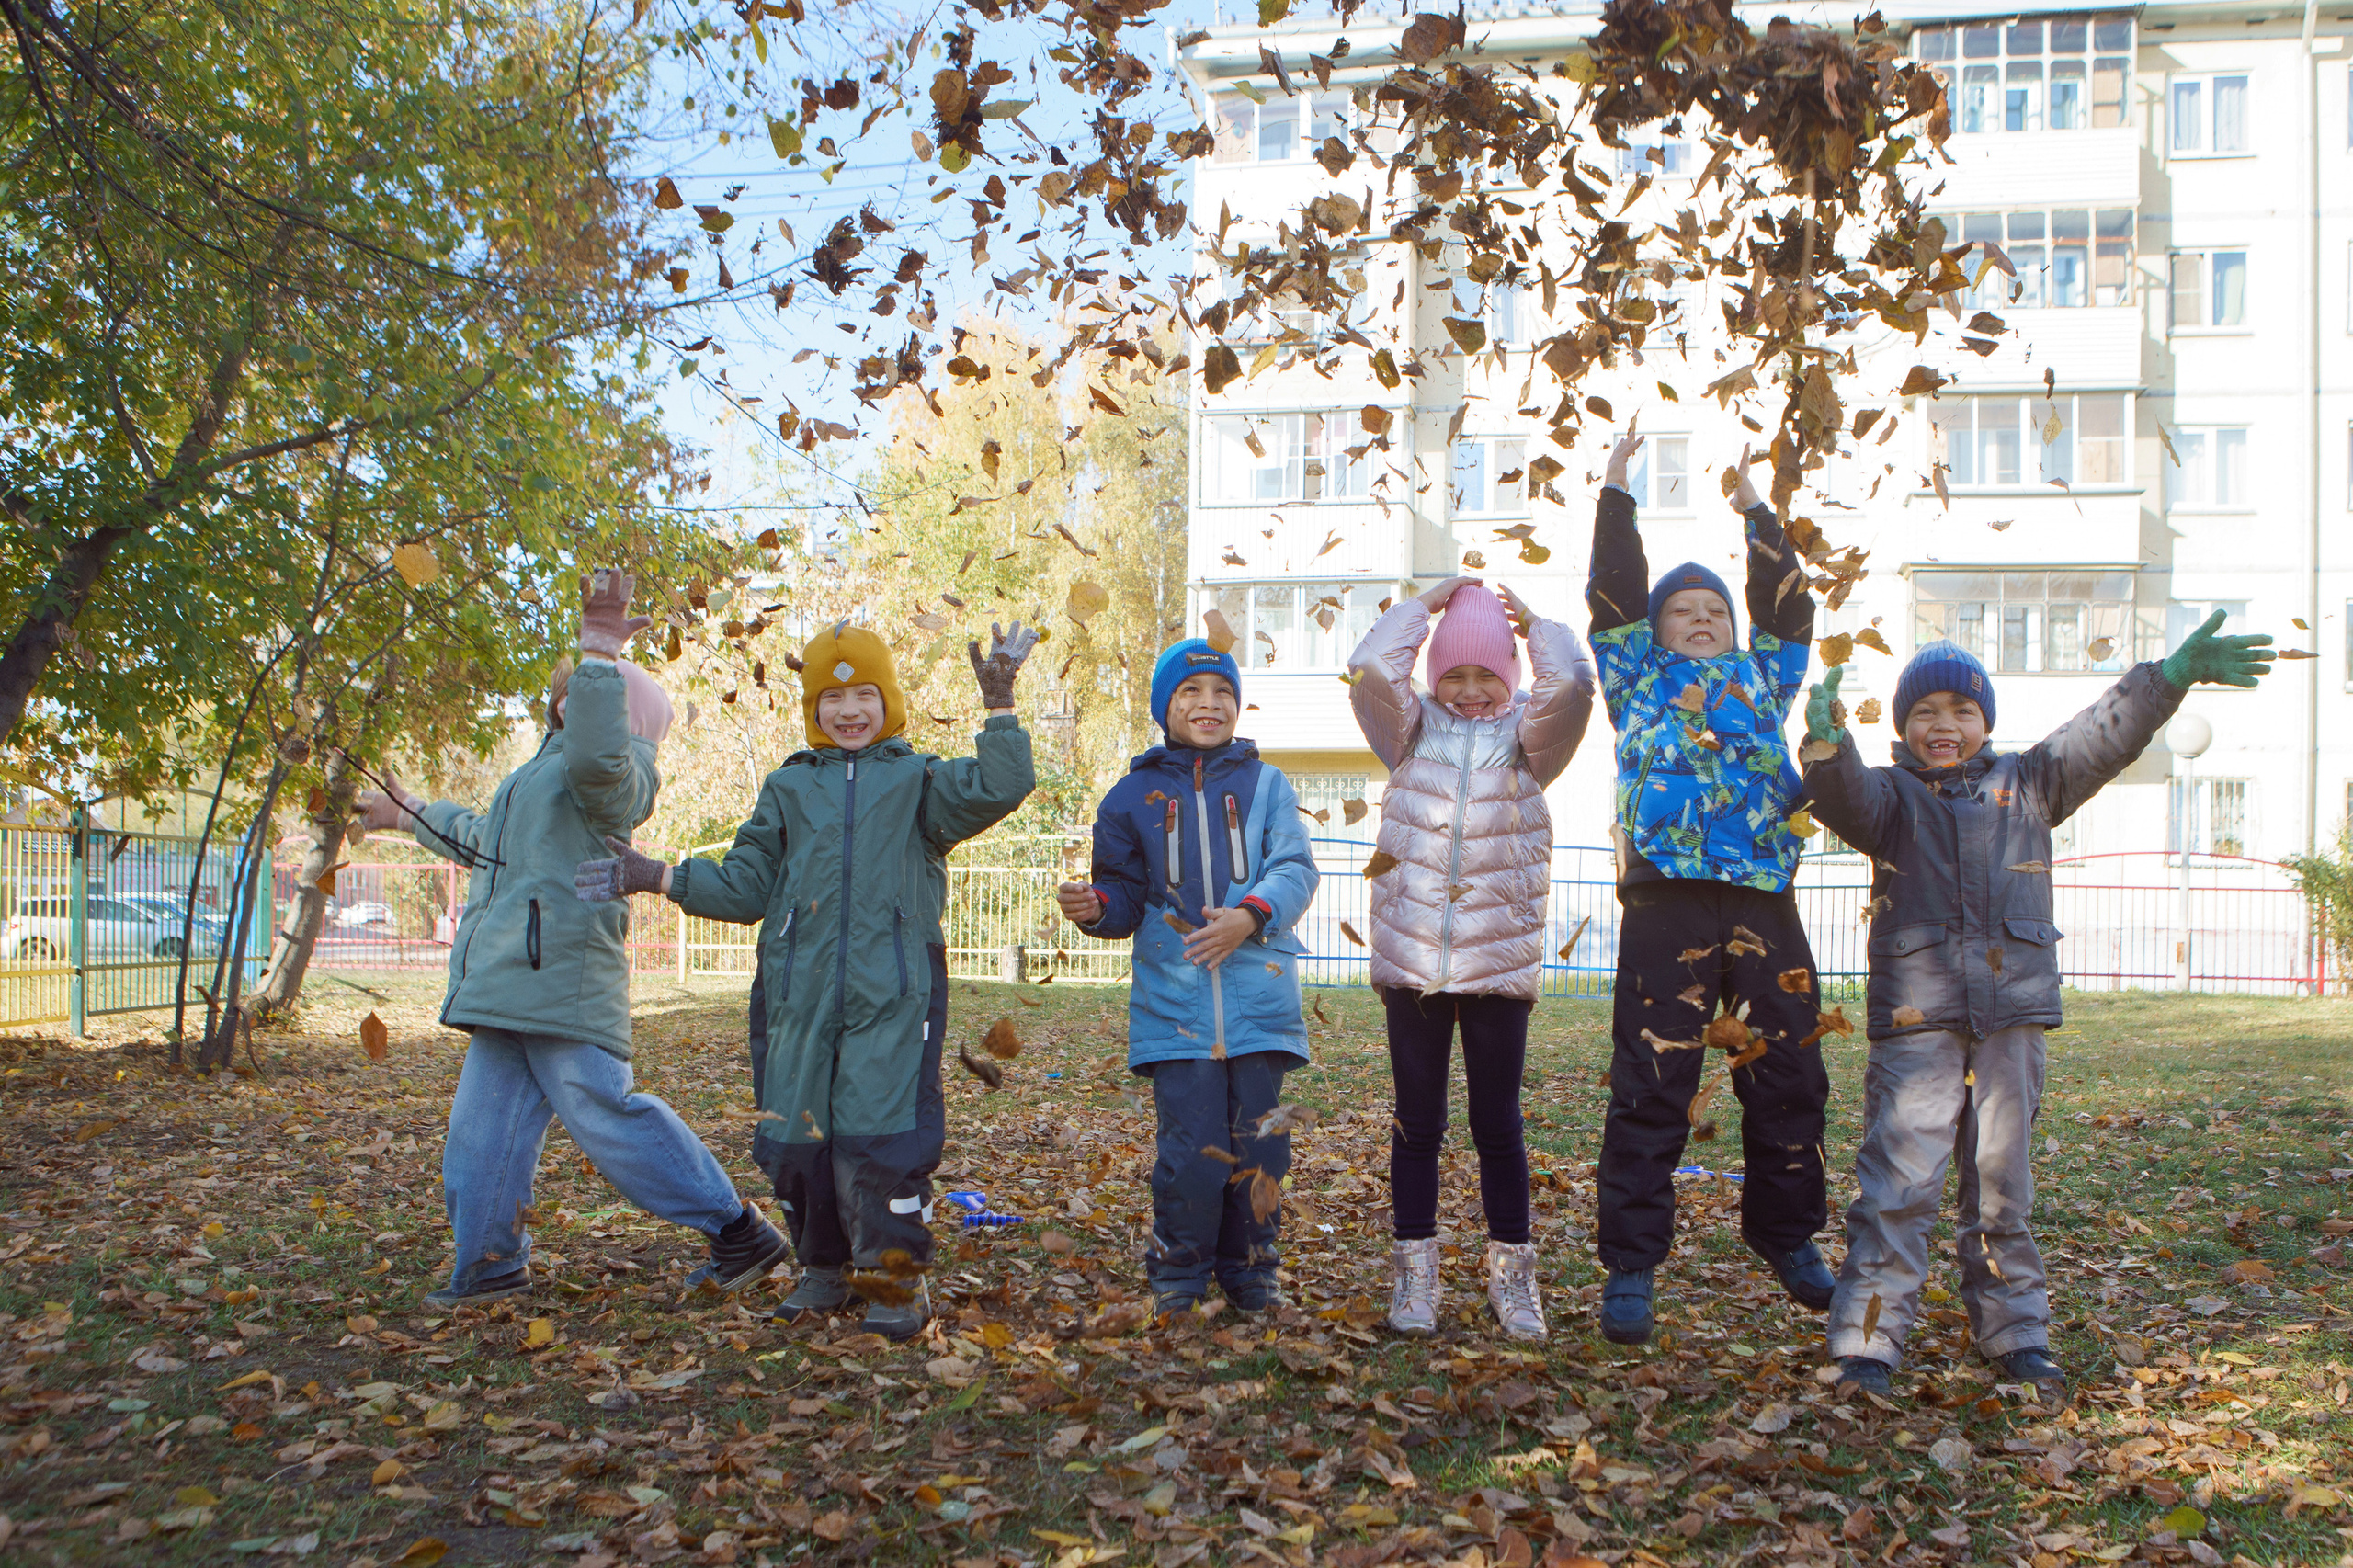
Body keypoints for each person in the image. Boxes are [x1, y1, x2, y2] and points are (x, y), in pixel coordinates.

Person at [1803, 616, 2272, 1395]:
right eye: (1925, 712)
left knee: (2000, 1185)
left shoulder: (2030, 784)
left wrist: (2168, 677)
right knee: (1898, 1186)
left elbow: (2100, 737)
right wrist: (1826, 747)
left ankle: (2015, 1332)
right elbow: (1840, 795)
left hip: (2012, 1019)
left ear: (1986, 723)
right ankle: (1867, 1342)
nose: (1944, 725)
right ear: (1903, 727)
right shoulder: (1888, 797)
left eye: (1962, 710)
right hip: (1918, 1024)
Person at [575, 619, 1038, 1340]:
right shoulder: (788, 787)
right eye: (832, 697)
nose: (849, 710)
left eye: (864, 695)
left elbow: (1002, 785)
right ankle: (823, 1268)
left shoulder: (920, 782)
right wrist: (660, 876)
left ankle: (893, 1282)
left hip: (892, 996)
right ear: (814, 708)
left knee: (881, 1141)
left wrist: (1000, 706)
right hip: (797, 997)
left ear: (888, 702)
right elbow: (746, 885)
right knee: (796, 1142)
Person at [357, 570, 790, 1311]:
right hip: (510, 983)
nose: (575, 696)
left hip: (562, 980)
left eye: (597, 694)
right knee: (480, 1137)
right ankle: (489, 1264)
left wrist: (599, 654)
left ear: (624, 720)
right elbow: (484, 841)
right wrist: (408, 813)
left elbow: (598, 757)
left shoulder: (615, 775)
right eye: (576, 688)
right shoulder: (538, 776)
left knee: (608, 1114)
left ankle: (738, 1230)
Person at [1586, 427, 1832, 1346]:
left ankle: (1786, 1234)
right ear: (1651, 634)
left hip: (1763, 896)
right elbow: (1613, 590)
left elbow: (1787, 608)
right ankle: (1632, 1265)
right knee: (1652, 1079)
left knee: (1789, 1073)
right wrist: (1617, 491)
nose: (1699, 619)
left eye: (1713, 612)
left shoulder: (1763, 675)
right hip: (1666, 898)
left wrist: (1757, 512)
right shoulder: (1636, 677)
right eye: (1681, 611)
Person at [1347, 578, 1595, 1340]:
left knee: (1498, 1126)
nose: (1470, 688)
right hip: (1414, 964)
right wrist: (1422, 607)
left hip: (1498, 969)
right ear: (1432, 676)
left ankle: (1513, 1279)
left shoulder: (1529, 742)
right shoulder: (1408, 731)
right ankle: (1414, 1275)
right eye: (1454, 673)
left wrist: (1537, 625)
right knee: (1417, 1124)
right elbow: (1370, 670)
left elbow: (1573, 684)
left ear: (1512, 677)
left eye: (1487, 673)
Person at [1053, 640, 1320, 1319]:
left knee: (1261, 1148)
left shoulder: (1268, 785)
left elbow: (1294, 868)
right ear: (1164, 707)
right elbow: (1122, 893)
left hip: (1259, 1003)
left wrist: (1250, 916)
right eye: (1191, 692)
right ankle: (1180, 1270)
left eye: (1223, 691)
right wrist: (1096, 907)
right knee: (1192, 1153)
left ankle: (1251, 1268)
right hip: (1175, 1008)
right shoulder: (1129, 797)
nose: (1210, 703)